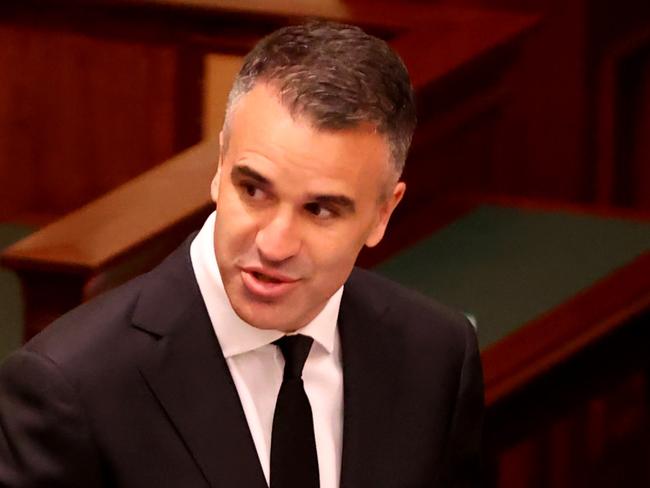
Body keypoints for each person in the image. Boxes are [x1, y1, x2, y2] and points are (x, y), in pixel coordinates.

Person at [0, 21, 483, 487]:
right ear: (219, 167)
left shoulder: (436, 356)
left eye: (319, 210)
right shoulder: (72, 386)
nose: (273, 246)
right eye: (254, 190)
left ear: (383, 213)